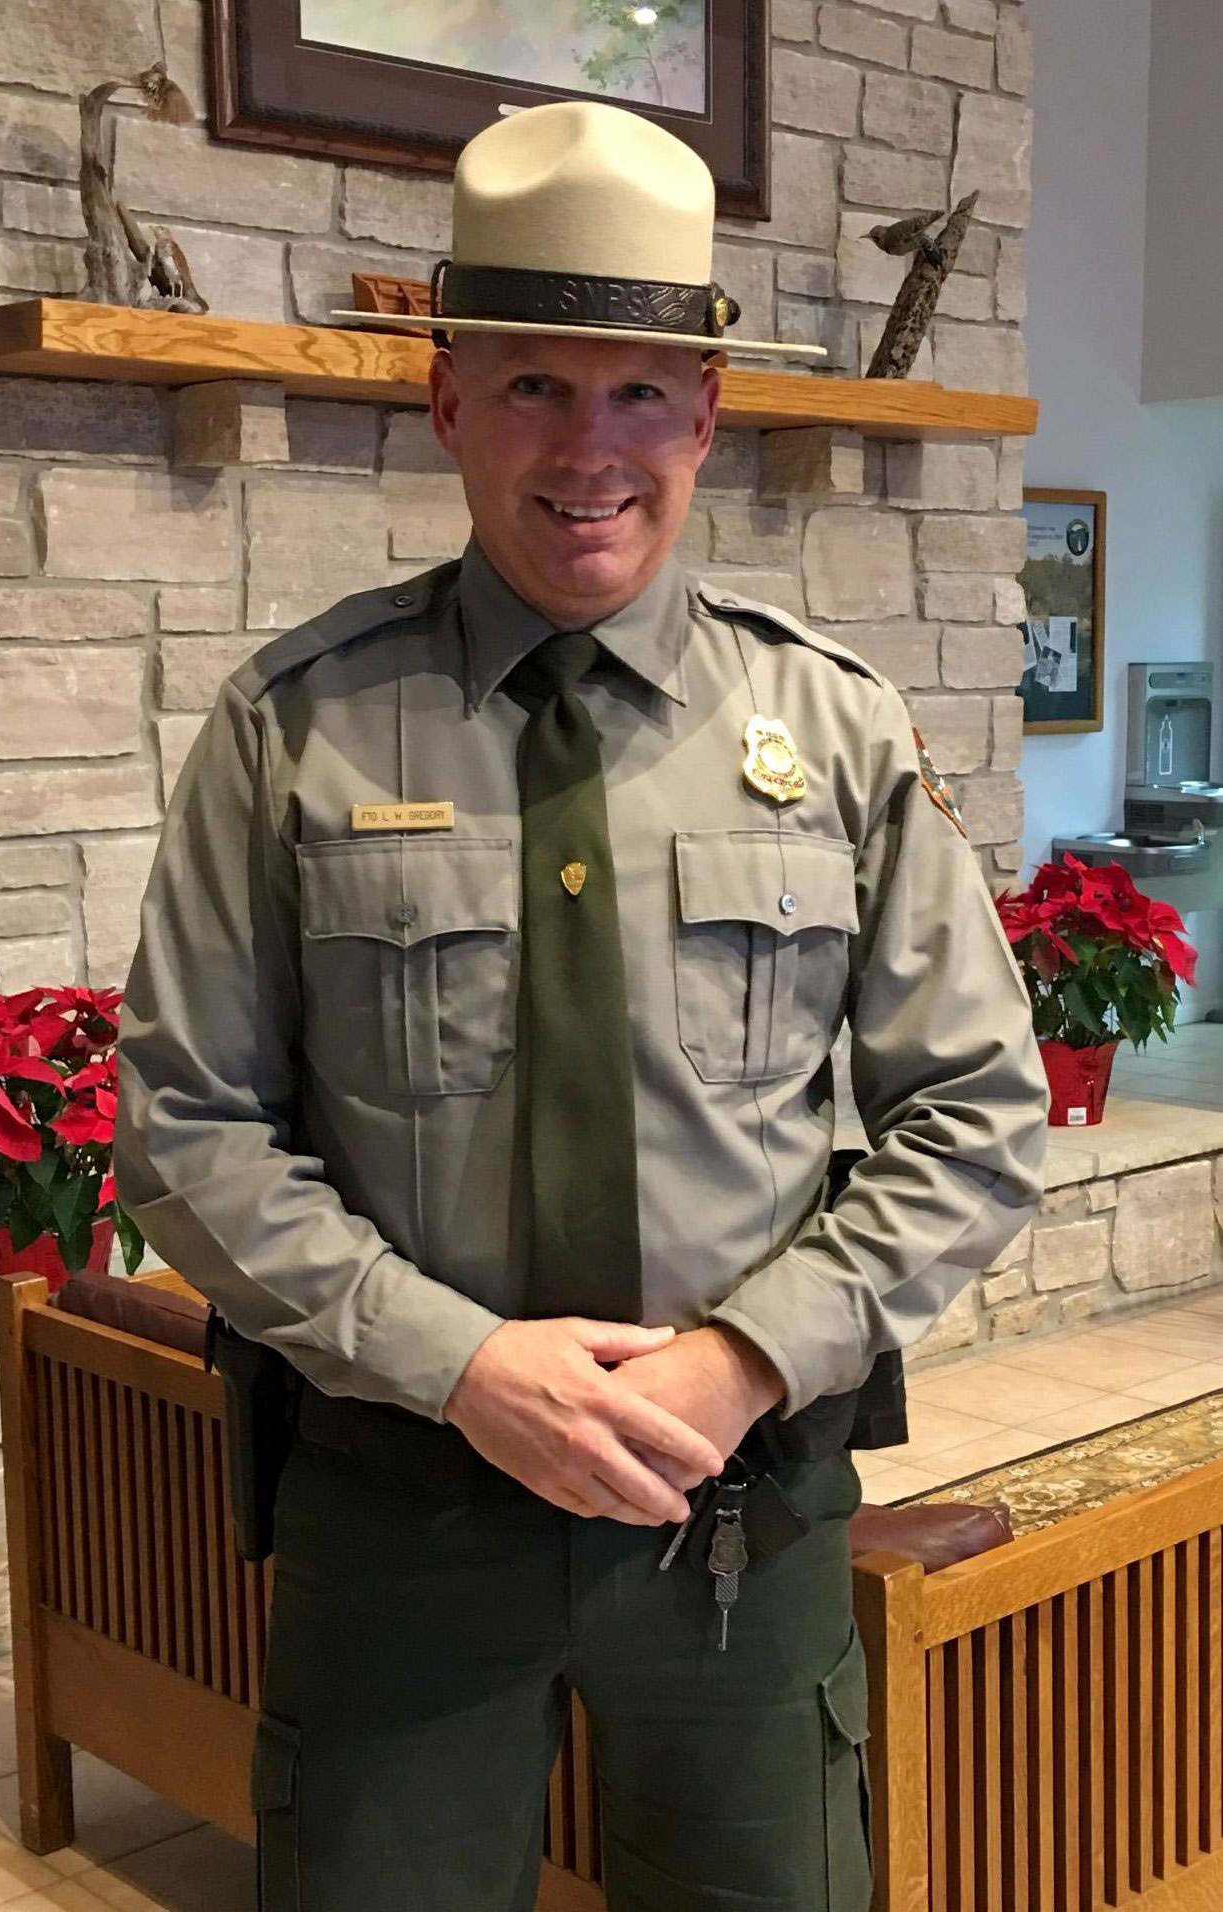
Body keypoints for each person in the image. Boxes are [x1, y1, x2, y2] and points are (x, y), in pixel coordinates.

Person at [114, 98, 1050, 1912]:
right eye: (535, 386)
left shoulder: (835, 730)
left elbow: (980, 1115)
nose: (588, 450)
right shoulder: (293, 728)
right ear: (447, 402)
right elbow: (186, 1124)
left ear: (707, 412)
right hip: (402, 1514)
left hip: (743, 1519)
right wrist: (458, 1365)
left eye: (637, 391)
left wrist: (747, 1354)